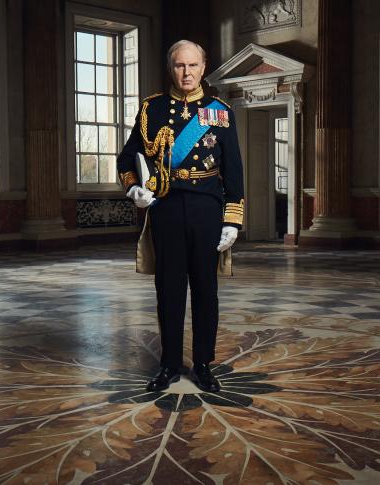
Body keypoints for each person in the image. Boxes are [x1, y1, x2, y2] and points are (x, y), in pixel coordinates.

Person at [117, 40, 244, 393]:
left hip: (206, 210)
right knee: (169, 290)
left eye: (193, 65)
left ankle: (203, 363)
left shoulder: (219, 111)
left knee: (206, 290)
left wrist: (232, 219)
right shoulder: (151, 109)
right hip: (167, 209)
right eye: (179, 65)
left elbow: (233, 170)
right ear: (170, 67)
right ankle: (170, 363)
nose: (186, 73)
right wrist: (133, 190)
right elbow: (127, 159)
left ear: (204, 67)